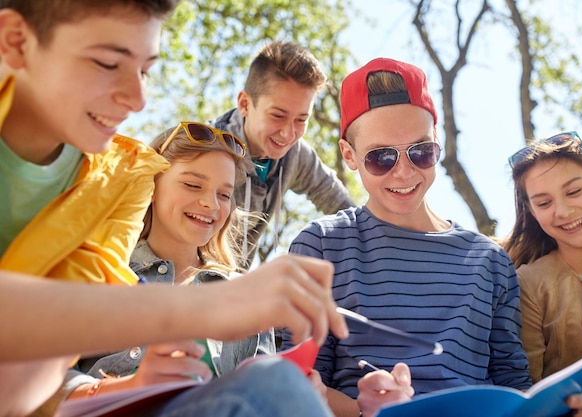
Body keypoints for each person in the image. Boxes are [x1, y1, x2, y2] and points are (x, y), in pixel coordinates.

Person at [0, 1, 347, 415]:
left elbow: (32, 372)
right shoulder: (150, 176)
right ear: (15, 41)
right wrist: (208, 308)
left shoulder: (118, 180)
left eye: (146, 70)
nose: (139, 98)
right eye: (108, 63)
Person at [280, 57, 582, 417]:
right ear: (349, 155)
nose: (403, 172)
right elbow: (298, 381)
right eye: (381, 157)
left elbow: (512, 384)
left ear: (437, 143)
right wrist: (362, 411)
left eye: (420, 152)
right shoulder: (321, 245)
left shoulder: (489, 262)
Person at [502, 131, 582, 416]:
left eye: (573, 192)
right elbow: (526, 393)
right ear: (532, 212)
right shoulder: (528, 286)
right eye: (544, 203)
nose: (564, 210)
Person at [210, 40, 354, 268]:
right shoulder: (205, 150)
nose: (289, 133)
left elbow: (342, 207)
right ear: (245, 104)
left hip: (233, 288)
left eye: (301, 120)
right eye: (277, 115)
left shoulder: (296, 156)